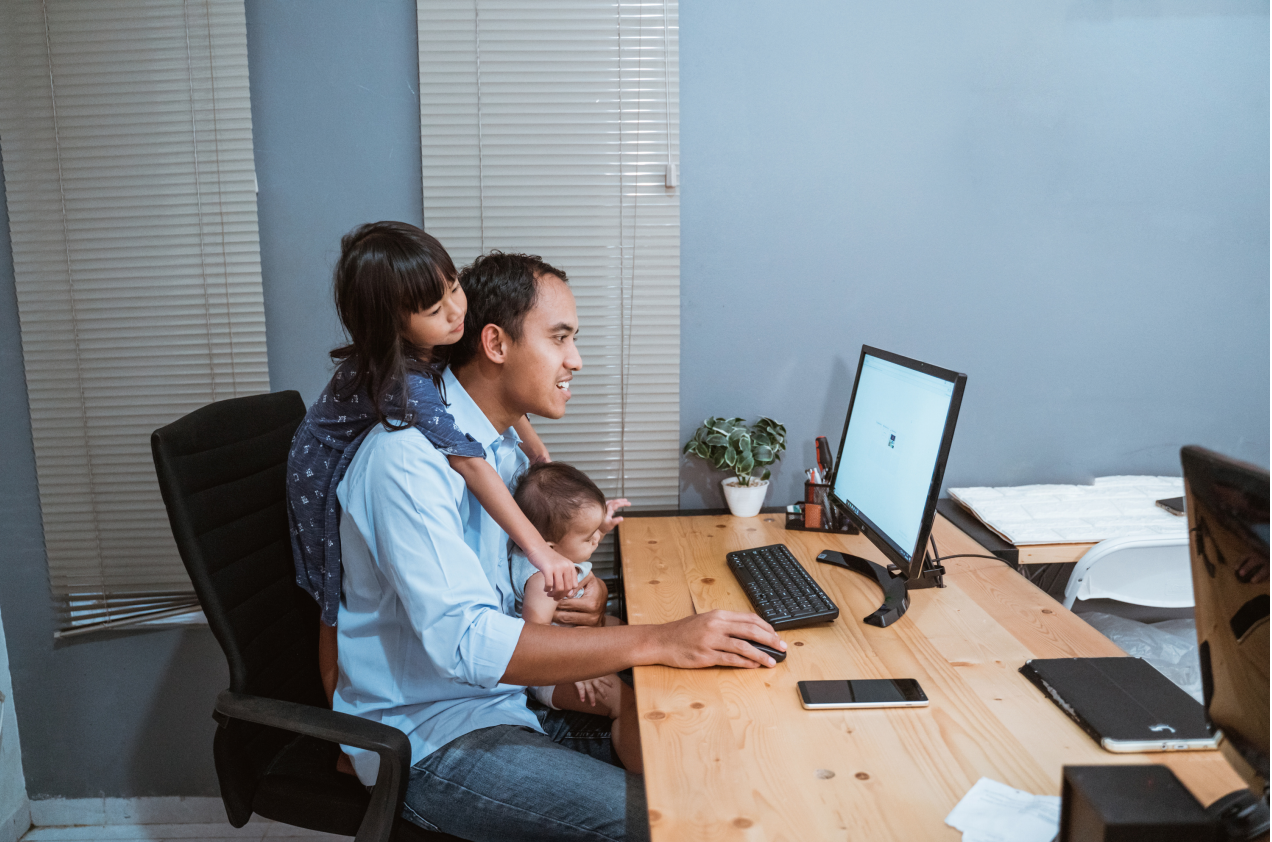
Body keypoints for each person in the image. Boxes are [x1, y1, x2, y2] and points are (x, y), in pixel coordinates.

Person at [334, 249, 786, 841]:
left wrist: (583, 594)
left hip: (508, 705)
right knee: (674, 824)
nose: (576, 360)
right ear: (496, 344)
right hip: (434, 740)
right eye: (560, 338)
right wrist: (658, 640)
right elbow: (466, 643)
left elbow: (518, 571)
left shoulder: (499, 449)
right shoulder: (406, 463)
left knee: (719, 769)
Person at [285, 222, 587, 708]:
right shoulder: (409, 429)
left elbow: (493, 576)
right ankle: (344, 734)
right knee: (327, 589)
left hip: (498, 698)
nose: (454, 311)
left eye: (454, 289)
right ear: (495, 345)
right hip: (316, 466)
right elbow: (468, 463)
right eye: (560, 338)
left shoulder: (453, 360)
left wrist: (533, 446)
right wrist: (542, 553)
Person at [509, 461, 641, 774]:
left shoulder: (553, 550)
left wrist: (599, 526)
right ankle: (646, 775)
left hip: (572, 636)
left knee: (631, 633)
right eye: (588, 536)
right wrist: (576, 665)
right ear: (551, 545)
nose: (597, 540)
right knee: (626, 703)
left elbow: (578, 540)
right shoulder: (542, 579)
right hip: (552, 672)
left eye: (598, 532)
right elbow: (535, 637)